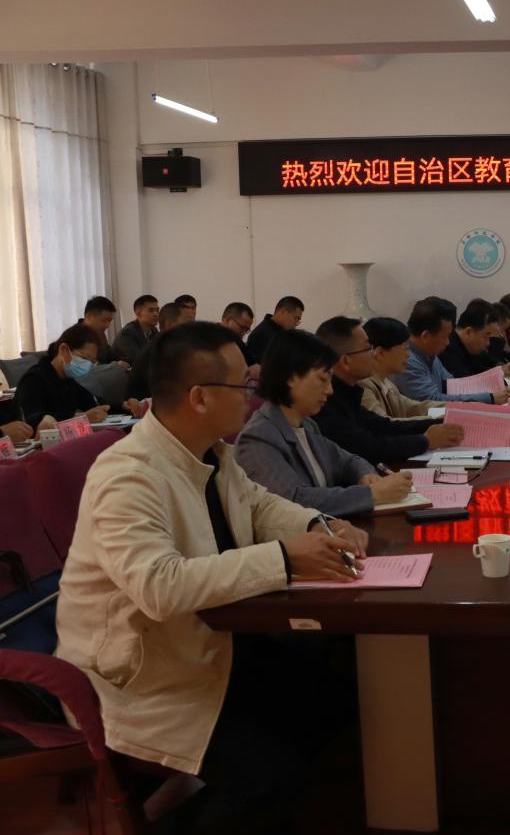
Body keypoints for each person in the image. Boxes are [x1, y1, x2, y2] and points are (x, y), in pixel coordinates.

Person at [54, 321, 368, 833]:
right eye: (243, 384)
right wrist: (285, 559)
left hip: (210, 643)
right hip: (144, 675)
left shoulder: (211, 453)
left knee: (337, 697)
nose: (253, 394)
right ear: (200, 397)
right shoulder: (128, 474)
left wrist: (320, 525)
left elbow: (260, 506)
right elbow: (159, 586)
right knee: (271, 778)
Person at [236, 330, 413, 516]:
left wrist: (365, 475)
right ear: (290, 377)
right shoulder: (258, 438)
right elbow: (294, 501)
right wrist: (372, 494)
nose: (329, 390)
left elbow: (349, 461)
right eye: (322, 379)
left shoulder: (307, 425)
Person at [313, 316, 464, 464]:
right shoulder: (330, 402)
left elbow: (385, 425)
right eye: (368, 348)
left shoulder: (350, 392)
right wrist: (426, 440)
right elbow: (370, 446)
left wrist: (443, 420)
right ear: (346, 361)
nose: (372, 353)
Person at [394, 300, 510, 404]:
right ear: (426, 336)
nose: (447, 342)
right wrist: (489, 398)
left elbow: (453, 384)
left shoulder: (430, 353)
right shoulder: (406, 360)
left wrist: (496, 386)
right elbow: (432, 400)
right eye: (445, 337)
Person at [16, 324, 111, 430]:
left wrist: (121, 405)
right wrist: (81, 418)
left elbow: (92, 403)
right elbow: (33, 420)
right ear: (63, 349)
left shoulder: (67, 379)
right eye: (84, 358)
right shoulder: (34, 379)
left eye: (92, 362)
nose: (87, 365)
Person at [360, 316, 437, 420]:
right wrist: (436, 419)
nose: (408, 355)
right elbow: (384, 424)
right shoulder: (364, 387)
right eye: (404, 347)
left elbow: (414, 407)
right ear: (380, 353)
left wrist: (454, 407)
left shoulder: (387, 383)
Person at [126, 302, 189, 402]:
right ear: (170, 325)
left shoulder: (167, 346)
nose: (189, 329)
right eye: (186, 324)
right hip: (146, 405)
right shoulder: (157, 351)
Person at [441, 299, 510, 379]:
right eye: (486, 336)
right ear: (468, 332)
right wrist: (498, 373)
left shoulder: (472, 349)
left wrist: (500, 367)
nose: (488, 343)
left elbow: (486, 364)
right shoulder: (448, 349)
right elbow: (467, 381)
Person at [247, 296, 304, 364]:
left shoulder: (284, 332)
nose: (296, 323)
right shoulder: (260, 335)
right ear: (283, 312)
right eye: (296, 318)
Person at [113, 294, 160, 364]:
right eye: (151, 310)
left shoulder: (154, 330)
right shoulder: (127, 333)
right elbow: (138, 360)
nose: (156, 314)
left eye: (157, 310)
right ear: (138, 313)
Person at [80, 296, 125, 366]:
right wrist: (114, 366)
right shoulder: (75, 337)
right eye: (103, 320)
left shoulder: (99, 334)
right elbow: (87, 368)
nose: (107, 325)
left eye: (109, 321)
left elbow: (112, 357)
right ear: (88, 317)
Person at [221, 302, 260, 378]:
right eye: (242, 327)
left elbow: (252, 363)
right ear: (227, 320)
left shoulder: (238, 342)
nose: (244, 333)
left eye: (247, 330)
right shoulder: (208, 340)